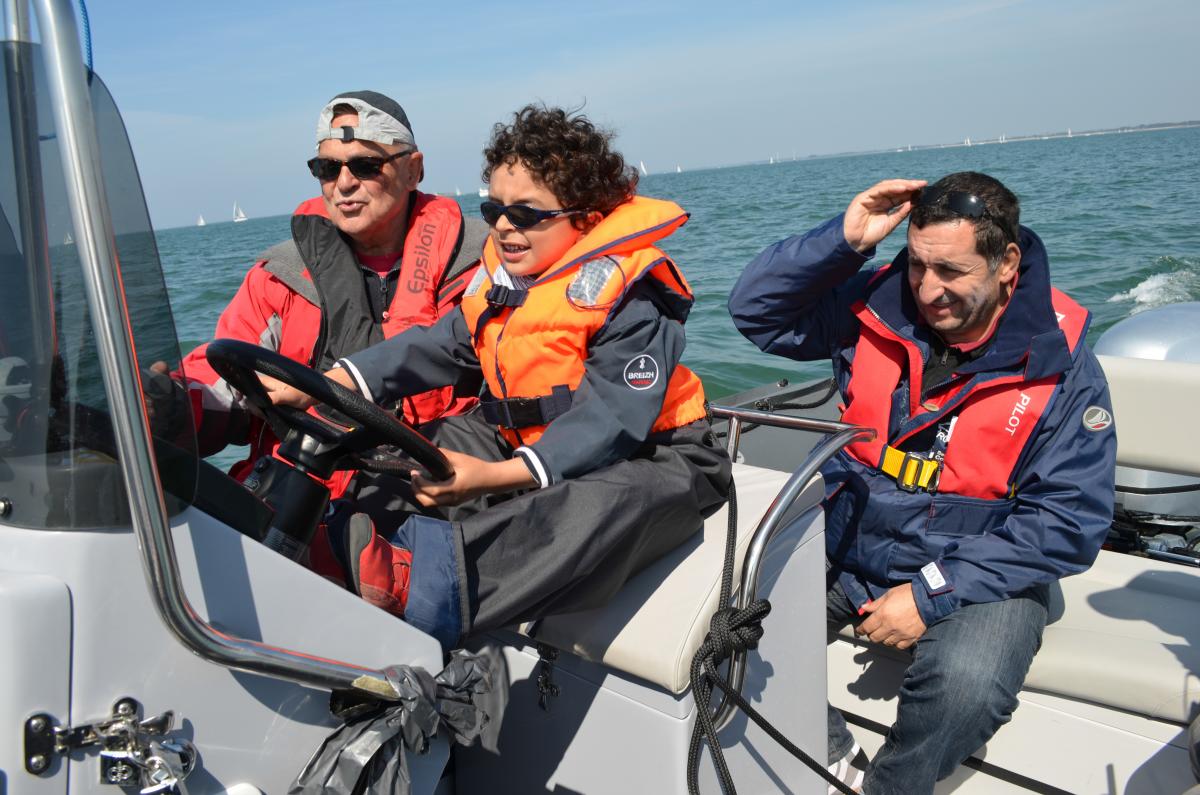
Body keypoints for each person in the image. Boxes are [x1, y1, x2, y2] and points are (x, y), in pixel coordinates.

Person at [266, 104, 731, 649]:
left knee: (608, 499)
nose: (505, 225)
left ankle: (426, 586)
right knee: (417, 450)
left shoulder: (630, 296)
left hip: (659, 454)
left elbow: (610, 420)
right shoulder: (505, 286)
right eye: (495, 210)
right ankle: (337, 548)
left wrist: (496, 476)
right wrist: (334, 381)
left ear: (586, 218)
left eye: (526, 214)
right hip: (525, 441)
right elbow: (438, 346)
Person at [728, 172, 1117, 794]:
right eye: (917, 264)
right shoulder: (874, 305)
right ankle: (831, 758)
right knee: (726, 623)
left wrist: (932, 594)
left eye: (951, 271)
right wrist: (845, 241)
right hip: (849, 540)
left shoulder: (1064, 367)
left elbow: (1068, 522)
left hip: (981, 568)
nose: (929, 290)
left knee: (967, 689)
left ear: (1006, 264)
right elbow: (757, 311)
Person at [179, 91, 487, 505]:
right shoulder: (279, 278)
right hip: (297, 493)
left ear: (413, 170)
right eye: (327, 168)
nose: (344, 183)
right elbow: (219, 386)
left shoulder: (483, 266)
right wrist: (169, 403)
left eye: (366, 165)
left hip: (436, 492)